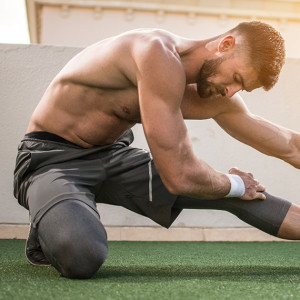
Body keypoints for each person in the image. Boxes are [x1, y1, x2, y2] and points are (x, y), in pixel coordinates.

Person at [14, 21, 300, 279]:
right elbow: (180, 175)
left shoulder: (214, 91)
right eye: (236, 78)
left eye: (242, 88)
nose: (232, 92)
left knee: (243, 194)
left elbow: (289, 145)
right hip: (52, 158)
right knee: (81, 257)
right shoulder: (154, 52)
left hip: (114, 157)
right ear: (225, 44)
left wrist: (236, 189)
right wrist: (234, 183)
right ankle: (47, 220)